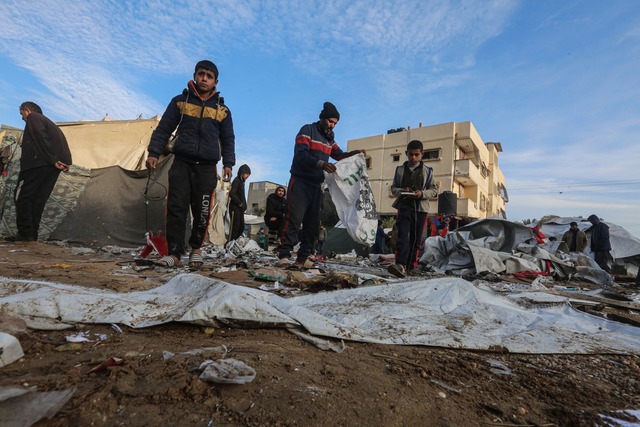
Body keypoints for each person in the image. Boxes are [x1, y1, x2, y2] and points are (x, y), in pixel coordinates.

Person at [146, 60, 235, 269]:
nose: (204, 78)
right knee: (176, 208)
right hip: (182, 163)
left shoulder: (223, 110)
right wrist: (153, 153)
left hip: (206, 167)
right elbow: (164, 128)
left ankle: (196, 249)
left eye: (209, 76)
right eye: (201, 74)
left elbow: (228, 138)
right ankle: (174, 253)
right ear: (195, 76)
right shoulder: (180, 101)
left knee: (202, 210)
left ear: (215, 81)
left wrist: (229, 164)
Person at [277, 101, 365, 268]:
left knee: (313, 223)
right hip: (300, 181)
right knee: (294, 219)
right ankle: (284, 254)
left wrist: (355, 154)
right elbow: (300, 156)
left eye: (335, 124)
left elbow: (339, 155)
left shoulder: (329, 139)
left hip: (317, 185)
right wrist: (322, 164)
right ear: (323, 118)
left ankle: (303, 257)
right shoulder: (307, 131)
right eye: (330, 121)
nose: (332, 126)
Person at [5, 102, 72, 242]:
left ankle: (25, 235)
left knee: (22, 198)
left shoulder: (34, 118)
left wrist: (52, 159)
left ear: (27, 110)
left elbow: (41, 137)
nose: (22, 118)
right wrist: (58, 161)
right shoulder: (51, 124)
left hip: (37, 165)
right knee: (37, 200)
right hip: (52, 166)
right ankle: (30, 236)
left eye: (21, 114)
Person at [387, 139, 438, 277]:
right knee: (402, 236)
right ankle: (400, 265)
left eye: (416, 154)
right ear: (406, 154)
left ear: (422, 154)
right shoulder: (399, 170)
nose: (413, 157)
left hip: (420, 209)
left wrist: (422, 194)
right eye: (411, 154)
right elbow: (393, 188)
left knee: (416, 239)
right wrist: (401, 191)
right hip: (404, 207)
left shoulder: (428, 171)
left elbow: (434, 190)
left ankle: (411, 266)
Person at [229, 164, 251, 241]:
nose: (247, 176)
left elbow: (242, 196)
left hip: (240, 209)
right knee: (234, 227)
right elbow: (231, 193)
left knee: (241, 227)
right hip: (235, 208)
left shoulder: (242, 182)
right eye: (246, 174)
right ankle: (230, 243)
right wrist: (240, 203)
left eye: (249, 174)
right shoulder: (237, 181)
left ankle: (233, 241)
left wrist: (244, 206)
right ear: (242, 172)